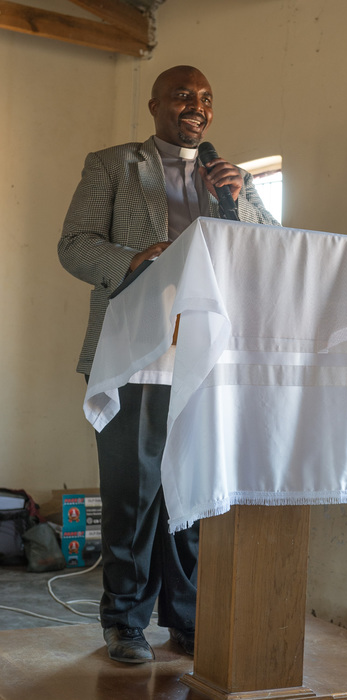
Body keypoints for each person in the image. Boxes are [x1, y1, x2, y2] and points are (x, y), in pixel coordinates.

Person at [58, 65, 279, 664]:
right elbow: (74, 246)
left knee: (192, 492)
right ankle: (125, 623)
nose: (196, 106)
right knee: (133, 495)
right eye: (183, 95)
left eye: (205, 98)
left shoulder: (228, 177)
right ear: (155, 104)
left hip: (206, 357)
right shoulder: (113, 165)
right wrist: (135, 259)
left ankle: (186, 618)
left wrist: (239, 199)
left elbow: (270, 248)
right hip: (135, 353)